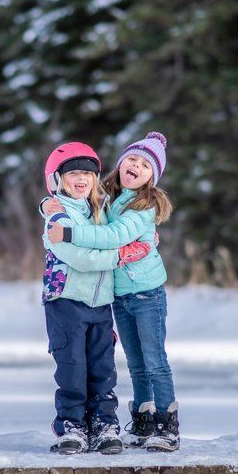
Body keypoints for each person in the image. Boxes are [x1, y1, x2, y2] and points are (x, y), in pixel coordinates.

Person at [44, 132, 179, 452]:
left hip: (144, 293)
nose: (136, 166)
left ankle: (166, 424)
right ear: (120, 164)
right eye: (132, 158)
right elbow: (70, 199)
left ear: (152, 178)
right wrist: (47, 204)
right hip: (114, 295)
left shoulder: (141, 206)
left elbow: (113, 235)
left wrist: (70, 232)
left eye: (146, 165)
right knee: (132, 362)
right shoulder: (107, 198)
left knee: (153, 360)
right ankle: (142, 419)